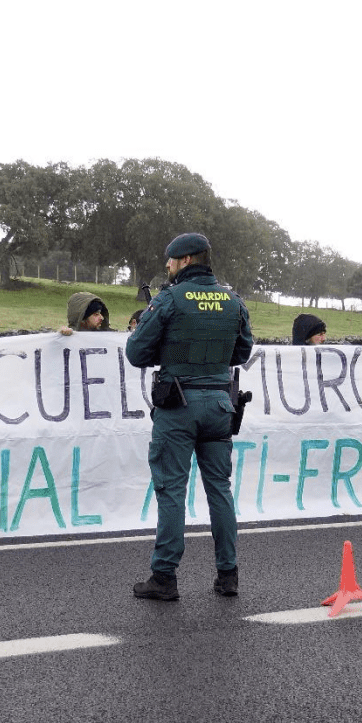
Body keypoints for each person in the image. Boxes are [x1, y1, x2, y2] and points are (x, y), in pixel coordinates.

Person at [125, 232, 253, 600]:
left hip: (178, 406)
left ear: (184, 260)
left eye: (170, 260)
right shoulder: (233, 300)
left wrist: (170, 349)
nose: (167, 267)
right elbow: (241, 352)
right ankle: (228, 575)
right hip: (218, 404)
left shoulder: (169, 299)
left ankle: (164, 577)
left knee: (171, 490)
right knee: (220, 490)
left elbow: (136, 352)